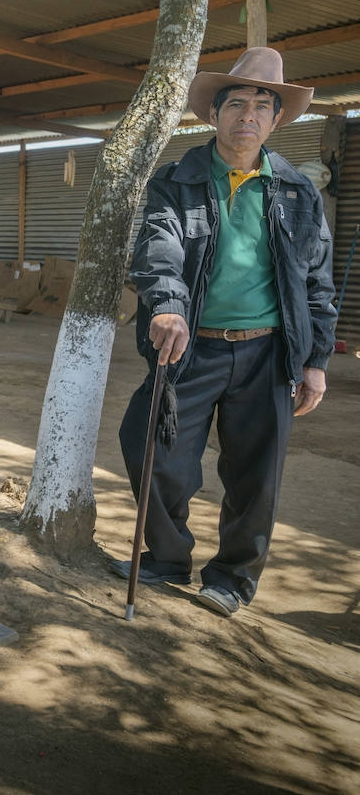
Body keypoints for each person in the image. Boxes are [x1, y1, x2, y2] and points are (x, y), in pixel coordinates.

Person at [115, 47, 336, 618]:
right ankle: (166, 557)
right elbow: (158, 247)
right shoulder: (178, 180)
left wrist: (314, 361)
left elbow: (317, 280)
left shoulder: (297, 191)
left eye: (263, 106)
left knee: (256, 474)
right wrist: (167, 305)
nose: (249, 115)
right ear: (214, 114)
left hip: (268, 352)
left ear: (277, 119)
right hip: (190, 346)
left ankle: (233, 577)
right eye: (236, 102)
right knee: (151, 447)